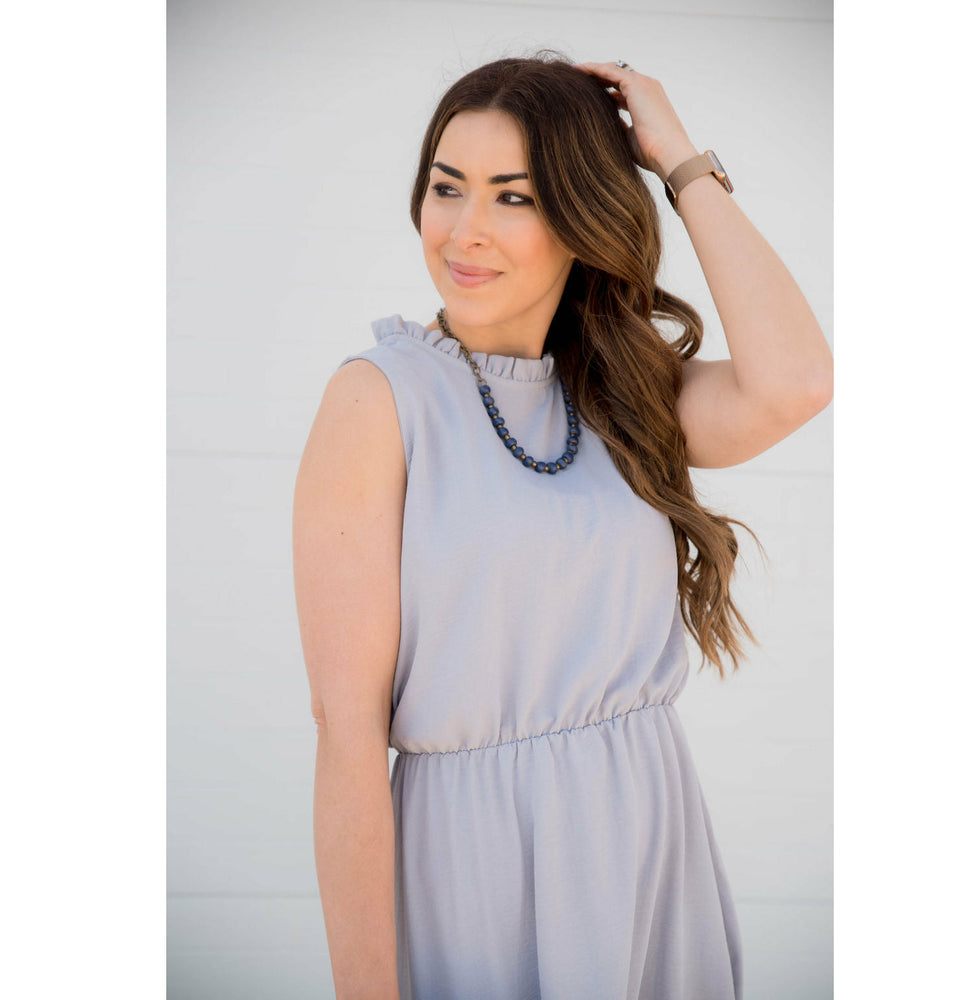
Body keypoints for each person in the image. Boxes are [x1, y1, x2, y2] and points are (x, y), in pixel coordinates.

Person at [293, 52, 832, 1000]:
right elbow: (347, 736)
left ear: (585, 216)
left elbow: (795, 382)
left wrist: (677, 159)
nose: (464, 230)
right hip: (479, 866)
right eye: (447, 187)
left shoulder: (621, 392)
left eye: (515, 197)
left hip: (648, 844)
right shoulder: (380, 399)